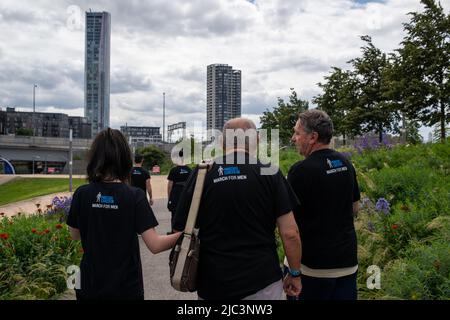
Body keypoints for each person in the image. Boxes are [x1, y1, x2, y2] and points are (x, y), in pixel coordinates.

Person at [173, 118, 302, 300]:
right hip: (262, 280)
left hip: (213, 281)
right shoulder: (270, 171)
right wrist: (295, 274)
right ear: (256, 139)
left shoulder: (203, 172)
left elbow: (180, 226)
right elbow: (290, 233)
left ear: (221, 142)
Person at [66, 128, 181, 300]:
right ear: (124, 158)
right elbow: (155, 245)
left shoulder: (82, 194)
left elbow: (74, 235)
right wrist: (185, 235)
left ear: (95, 158)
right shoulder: (134, 196)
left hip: (88, 284)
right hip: (125, 287)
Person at [287, 109, 360, 300]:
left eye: (297, 132)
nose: (293, 138)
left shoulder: (300, 171)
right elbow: (355, 207)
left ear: (313, 137)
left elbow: (288, 226)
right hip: (347, 263)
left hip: (314, 269)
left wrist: (293, 271)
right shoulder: (346, 163)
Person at [167, 150, 192, 233]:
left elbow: (170, 185)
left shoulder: (173, 170)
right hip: (186, 195)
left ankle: (173, 232)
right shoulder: (190, 170)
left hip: (175, 195)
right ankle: (185, 232)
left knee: (174, 214)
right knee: (186, 214)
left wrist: (169, 197)